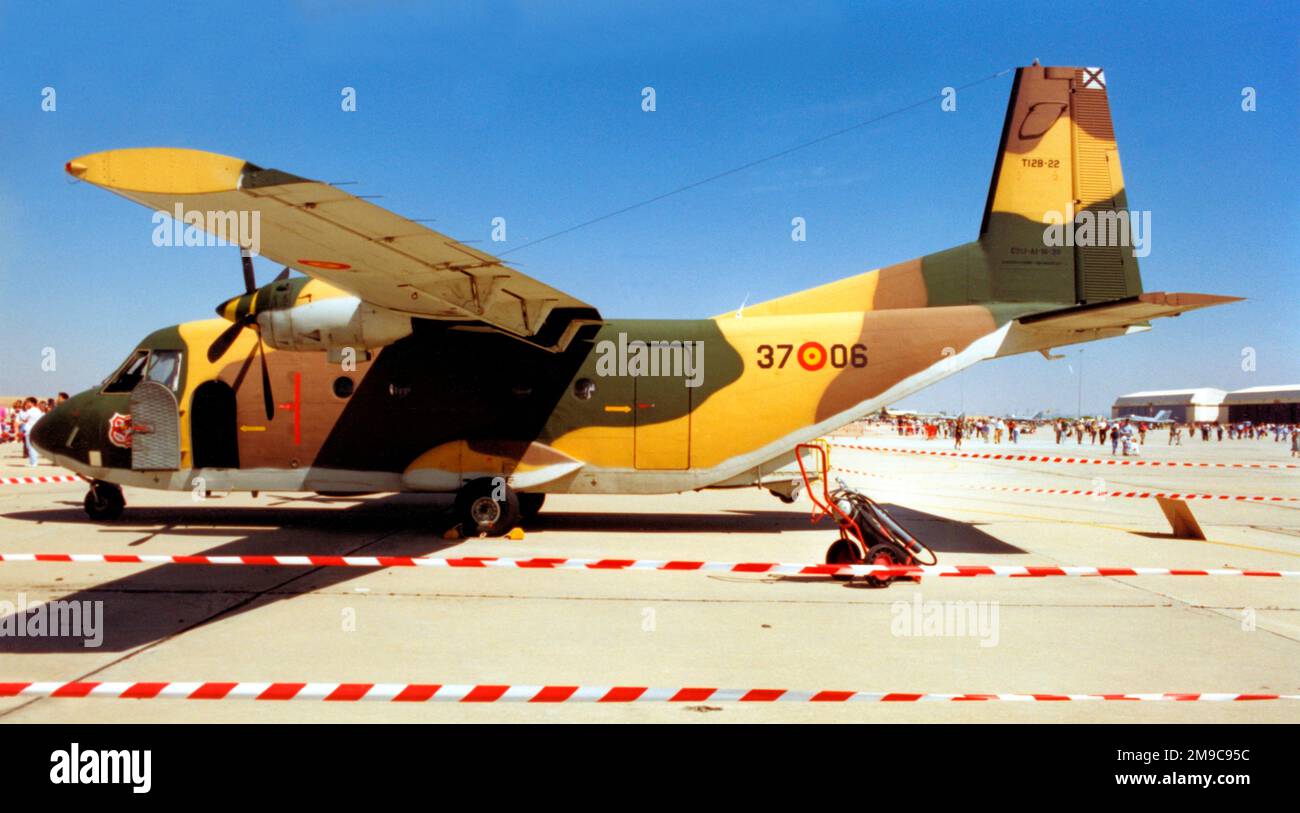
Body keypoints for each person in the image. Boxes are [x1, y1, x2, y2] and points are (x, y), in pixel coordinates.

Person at [19, 397, 43, 467]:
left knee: (30, 446)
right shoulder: (38, 410)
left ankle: (33, 462)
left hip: (30, 430)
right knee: (32, 446)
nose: (26, 403)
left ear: (32, 403)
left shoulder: (30, 411)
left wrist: (24, 409)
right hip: (36, 430)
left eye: (28, 402)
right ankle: (33, 461)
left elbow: (23, 417)